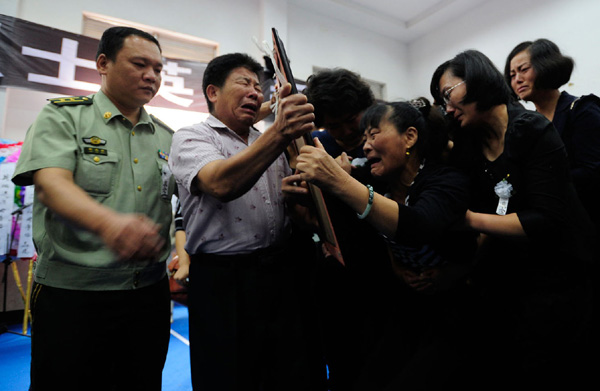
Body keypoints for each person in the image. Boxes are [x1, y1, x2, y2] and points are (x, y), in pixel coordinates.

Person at [12, 27, 174, 390]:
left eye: (159, 69)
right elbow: (52, 185)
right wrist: (109, 224)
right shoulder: (64, 116)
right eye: (140, 64)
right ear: (103, 63)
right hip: (73, 296)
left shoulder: (167, 137)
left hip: (147, 295)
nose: (152, 75)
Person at [284, 99, 477, 390]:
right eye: (364, 138)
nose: (365, 146)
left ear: (410, 136)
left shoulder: (447, 180)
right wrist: (301, 192)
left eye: (374, 134)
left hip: (456, 310)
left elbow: (419, 226)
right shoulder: (377, 181)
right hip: (405, 308)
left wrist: (338, 180)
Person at [430, 49, 593, 389]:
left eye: (448, 94)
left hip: (561, 280)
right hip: (512, 282)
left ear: (476, 79)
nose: (447, 107)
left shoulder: (530, 128)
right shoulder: (469, 145)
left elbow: (546, 220)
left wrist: (470, 219)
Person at [168, 53, 325, 391]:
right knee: (228, 375)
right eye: (244, 83)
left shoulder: (265, 141)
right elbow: (221, 184)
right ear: (213, 91)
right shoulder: (192, 137)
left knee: (285, 372)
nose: (255, 92)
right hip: (223, 282)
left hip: (279, 273)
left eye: (258, 85)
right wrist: (280, 131)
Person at [301, 68, 392, 390]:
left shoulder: (389, 135)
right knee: (343, 366)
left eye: (350, 120)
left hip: (388, 270)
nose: (343, 132)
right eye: (332, 125)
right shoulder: (317, 144)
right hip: (337, 275)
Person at [505, 38, 600, 241]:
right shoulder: (526, 126)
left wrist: (540, 184)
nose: (517, 79)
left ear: (546, 66)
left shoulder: (583, 110)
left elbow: (593, 171)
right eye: (512, 75)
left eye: (523, 69)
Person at [304, 68, 374, 160]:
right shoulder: (315, 144)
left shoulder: (379, 144)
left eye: (351, 120)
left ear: (364, 110)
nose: (347, 131)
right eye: (334, 126)